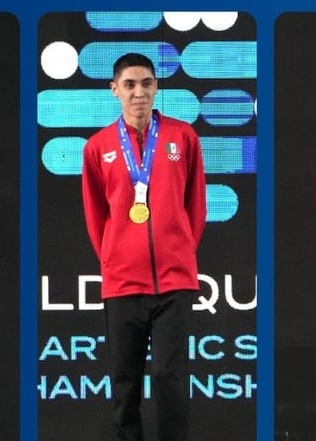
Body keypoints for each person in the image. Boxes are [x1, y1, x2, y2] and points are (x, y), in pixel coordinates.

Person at [81, 52, 206, 441]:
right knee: (125, 383)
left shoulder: (182, 137)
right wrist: (115, 258)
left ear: (156, 87)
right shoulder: (98, 146)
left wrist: (180, 250)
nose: (139, 93)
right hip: (122, 282)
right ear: (114, 90)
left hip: (174, 282)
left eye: (147, 83)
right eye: (130, 85)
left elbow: (195, 206)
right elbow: (95, 214)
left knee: (171, 379)